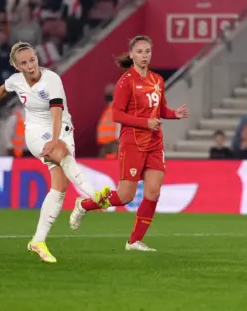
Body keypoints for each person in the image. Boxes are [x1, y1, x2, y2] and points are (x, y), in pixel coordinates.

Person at [0, 41, 110, 263]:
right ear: (17, 67)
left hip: (63, 130)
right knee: (62, 155)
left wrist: (56, 139)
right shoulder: (17, 81)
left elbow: (57, 113)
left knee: (59, 188)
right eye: (24, 63)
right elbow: (2, 89)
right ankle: (94, 195)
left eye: (32, 60)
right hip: (37, 133)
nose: (30, 66)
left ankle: (38, 240)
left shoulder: (52, 80)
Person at [69, 36, 189, 252]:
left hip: (154, 143)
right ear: (132, 54)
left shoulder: (158, 80)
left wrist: (174, 114)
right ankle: (84, 204)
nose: (144, 56)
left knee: (153, 192)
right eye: (140, 52)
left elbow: (160, 110)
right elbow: (116, 114)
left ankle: (134, 241)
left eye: (147, 52)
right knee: (125, 197)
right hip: (132, 143)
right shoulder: (126, 82)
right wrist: (145, 122)